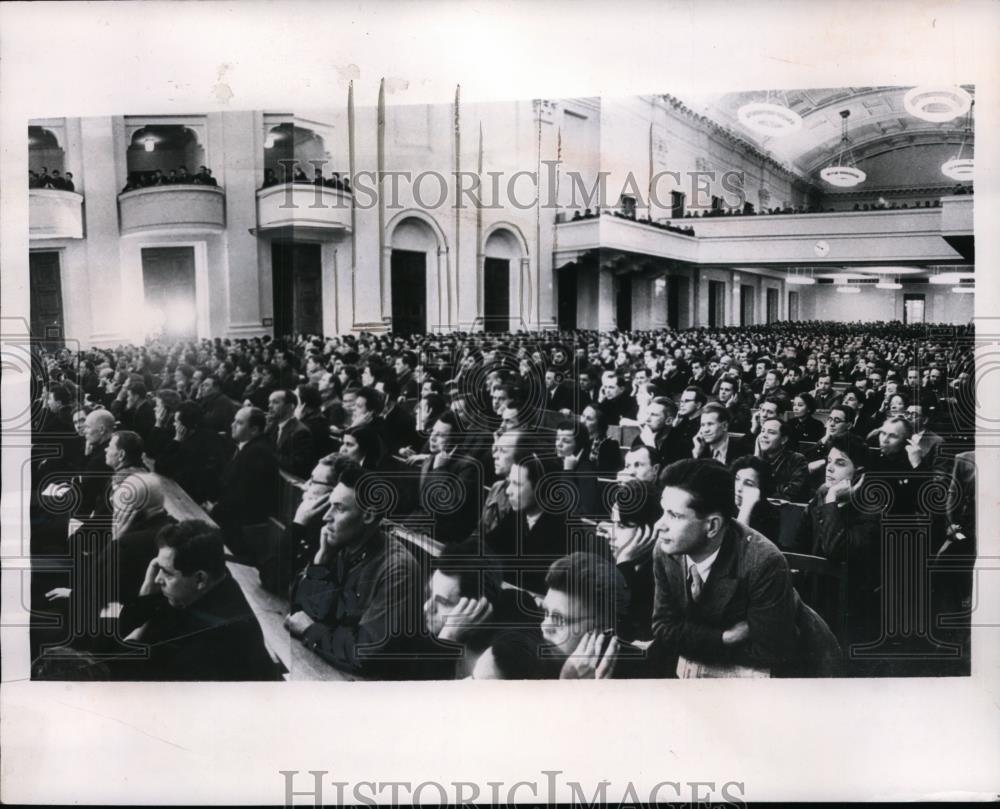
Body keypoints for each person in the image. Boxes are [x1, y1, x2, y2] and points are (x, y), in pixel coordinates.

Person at [649, 459, 800, 677]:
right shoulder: (665, 549)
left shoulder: (764, 562)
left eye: (674, 515)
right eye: (664, 512)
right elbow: (663, 628)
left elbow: (770, 651)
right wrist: (724, 638)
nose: (659, 525)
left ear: (712, 526)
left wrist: (690, 638)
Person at [285, 460, 426, 679]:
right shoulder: (339, 546)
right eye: (330, 505)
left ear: (368, 516)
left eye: (339, 508)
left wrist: (310, 631)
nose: (326, 516)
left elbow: (365, 652)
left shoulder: (398, 569)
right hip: (331, 672)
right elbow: (300, 611)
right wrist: (321, 561)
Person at [114, 520, 280, 681]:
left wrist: (134, 637)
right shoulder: (212, 582)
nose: (157, 579)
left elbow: (129, 673)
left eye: (166, 572)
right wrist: (146, 595)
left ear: (200, 579)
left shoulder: (217, 639)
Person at [209, 407, 280, 554]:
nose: (232, 425)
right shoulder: (249, 448)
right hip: (232, 519)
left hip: (242, 530)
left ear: (253, 430)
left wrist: (214, 509)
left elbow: (243, 496)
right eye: (234, 420)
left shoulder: (257, 453)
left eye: (239, 423)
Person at [755, 417, 811, 502]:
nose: (764, 435)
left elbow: (791, 494)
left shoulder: (797, 460)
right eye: (762, 431)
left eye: (771, 432)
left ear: (783, 439)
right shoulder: (756, 458)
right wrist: (756, 459)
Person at [730, 455, 781, 544]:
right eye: (737, 479)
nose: (739, 488)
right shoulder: (724, 506)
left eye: (748, 484)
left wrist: (746, 508)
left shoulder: (770, 515)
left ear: (761, 488)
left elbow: (737, 548)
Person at [266, 388, 315, 479]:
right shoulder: (272, 425)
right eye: (269, 402)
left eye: (275, 402)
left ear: (290, 407)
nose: (269, 406)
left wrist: (266, 453)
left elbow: (295, 465)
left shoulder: (301, 432)